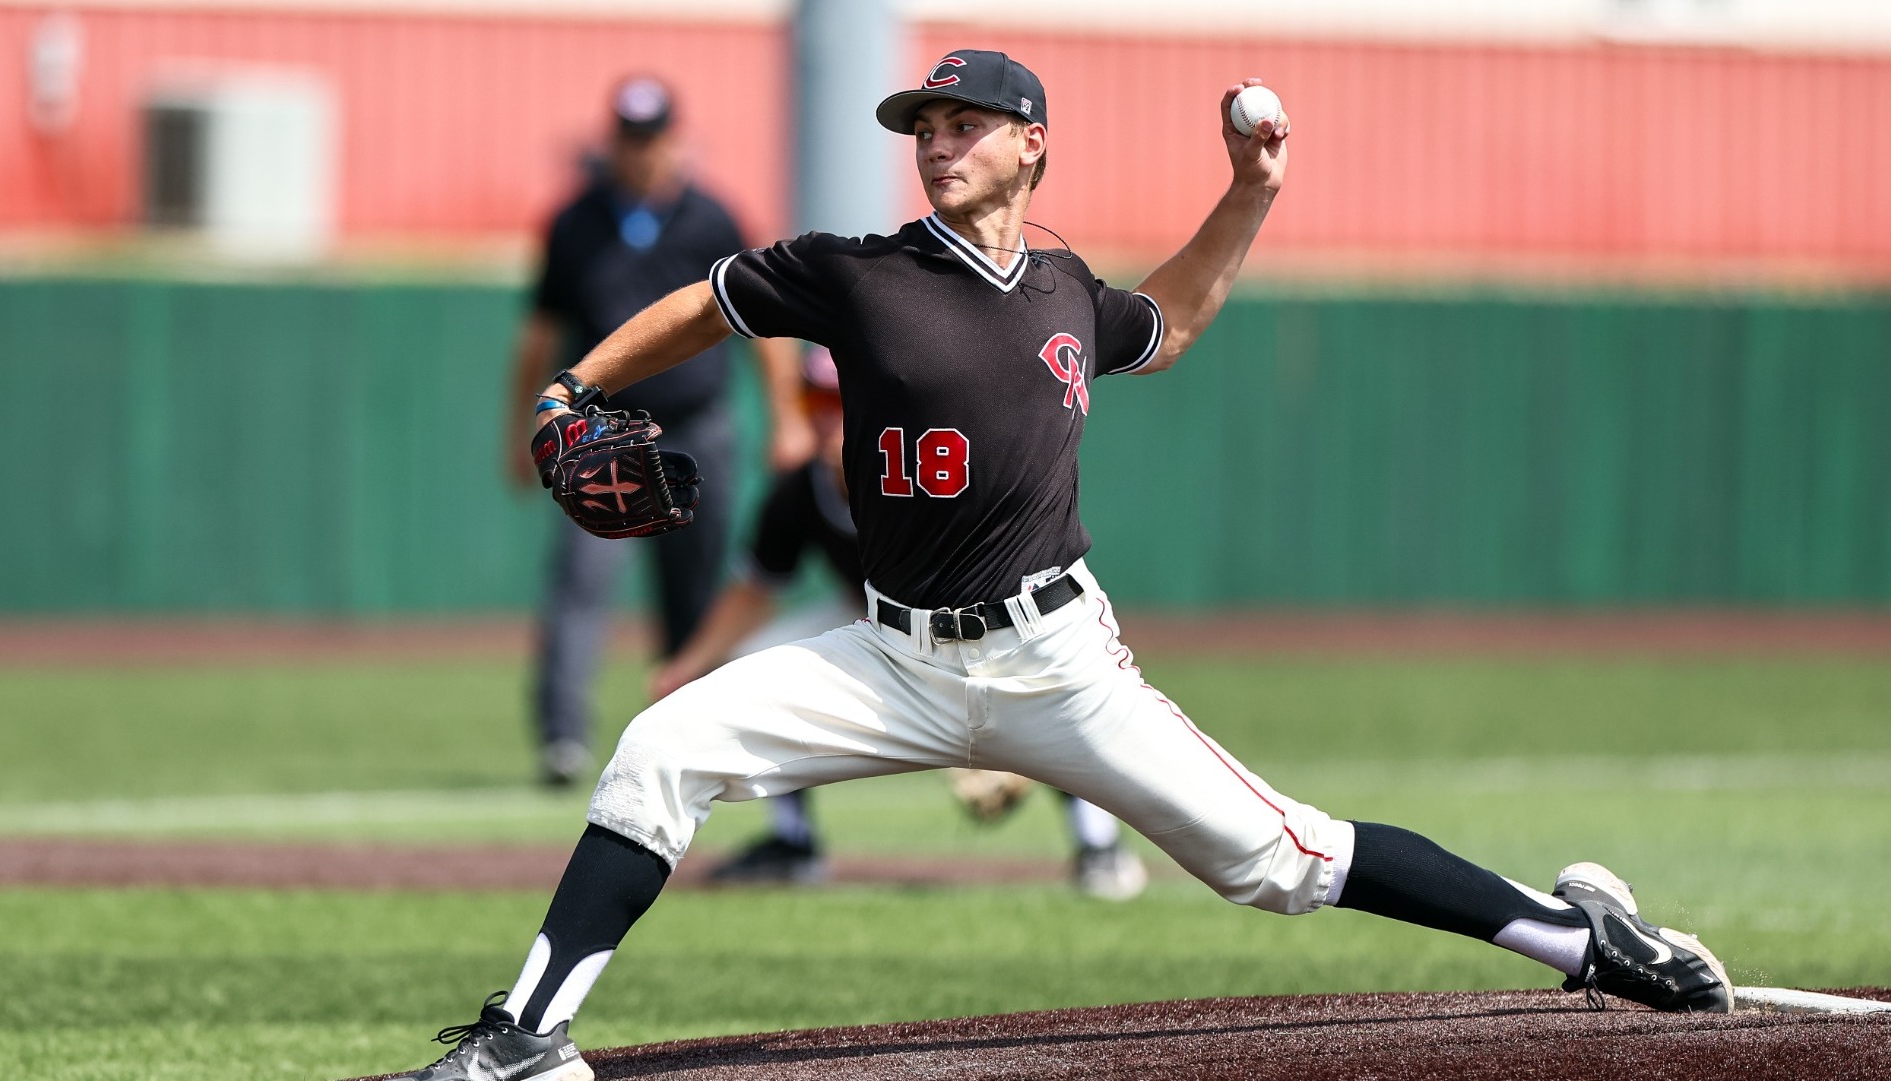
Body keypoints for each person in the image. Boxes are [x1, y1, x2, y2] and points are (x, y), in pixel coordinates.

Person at [407, 50, 1731, 1081]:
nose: (934, 142)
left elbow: (1178, 319)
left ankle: (1581, 938)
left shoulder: (1066, 294)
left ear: (1032, 143)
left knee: (1284, 862)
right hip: (891, 657)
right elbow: (707, 302)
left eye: (962, 123)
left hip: (1055, 663)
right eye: (922, 127)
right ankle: (527, 1036)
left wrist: (1252, 191)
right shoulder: (856, 276)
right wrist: (577, 384)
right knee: (659, 750)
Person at [653, 348, 1148, 900]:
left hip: (972, 611)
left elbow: (987, 568)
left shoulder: (923, 468)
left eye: (837, 401)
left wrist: (998, 728)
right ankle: (794, 844)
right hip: (871, 613)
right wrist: (688, 665)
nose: (823, 416)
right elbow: (754, 589)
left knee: (1046, 680)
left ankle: (1097, 843)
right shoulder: (800, 492)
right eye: (811, 399)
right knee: (753, 663)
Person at [508, 75, 809, 786]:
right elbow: (539, 334)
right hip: (599, 436)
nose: (642, 153)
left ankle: (689, 730)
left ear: (676, 140)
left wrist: (787, 413)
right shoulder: (575, 221)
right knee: (580, 585)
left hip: (696, 430)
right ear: (611, 141)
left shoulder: (711, 219)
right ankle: (562, 739)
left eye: (653, 138)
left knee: (696, 593)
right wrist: (520, 427)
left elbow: (762, 324)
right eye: (630, 139)